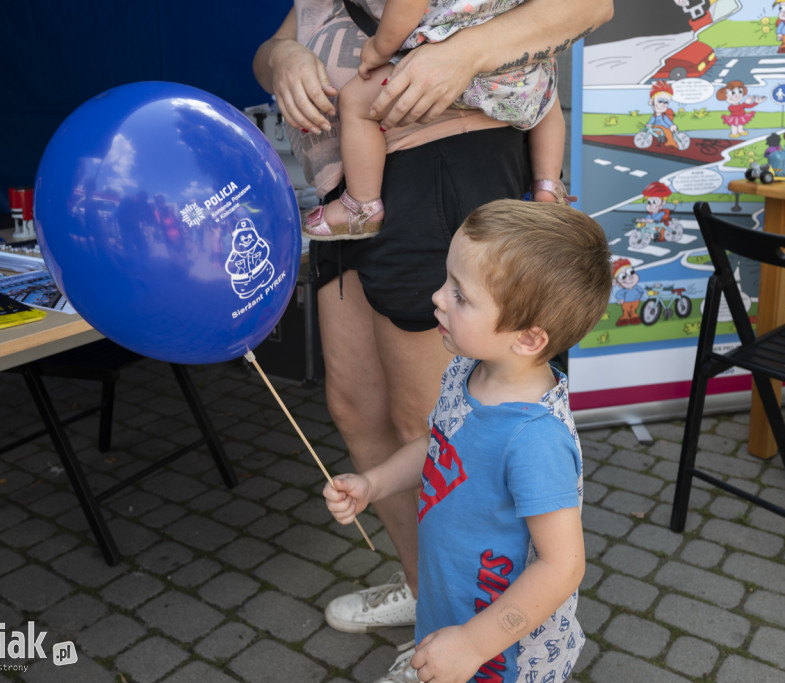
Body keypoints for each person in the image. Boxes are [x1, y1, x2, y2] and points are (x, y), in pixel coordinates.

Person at [253, 0, 613, 649]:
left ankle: (470, 637)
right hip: (347, 194)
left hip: (444, 168)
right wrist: (281, 60)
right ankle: (431, 599)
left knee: (442, 428)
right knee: (357, 410)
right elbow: (278, 40)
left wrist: (466, 52)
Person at [324, 200, 612, 682]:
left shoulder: (534, 439)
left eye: (460, 295)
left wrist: (473, 644)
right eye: (446, 281)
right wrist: (374, 483)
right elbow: (438, 445)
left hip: (503, 651)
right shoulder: (466, 369)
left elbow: (563, 567)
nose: (437, 297)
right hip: (452, 604)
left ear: (527, 339)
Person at [302, 0, 570, 241]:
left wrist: (378, 48)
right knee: (547, 99)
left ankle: (362, 205)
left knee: (355, 101)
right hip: (514, 63)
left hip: (446, 63)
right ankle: (547, 185)